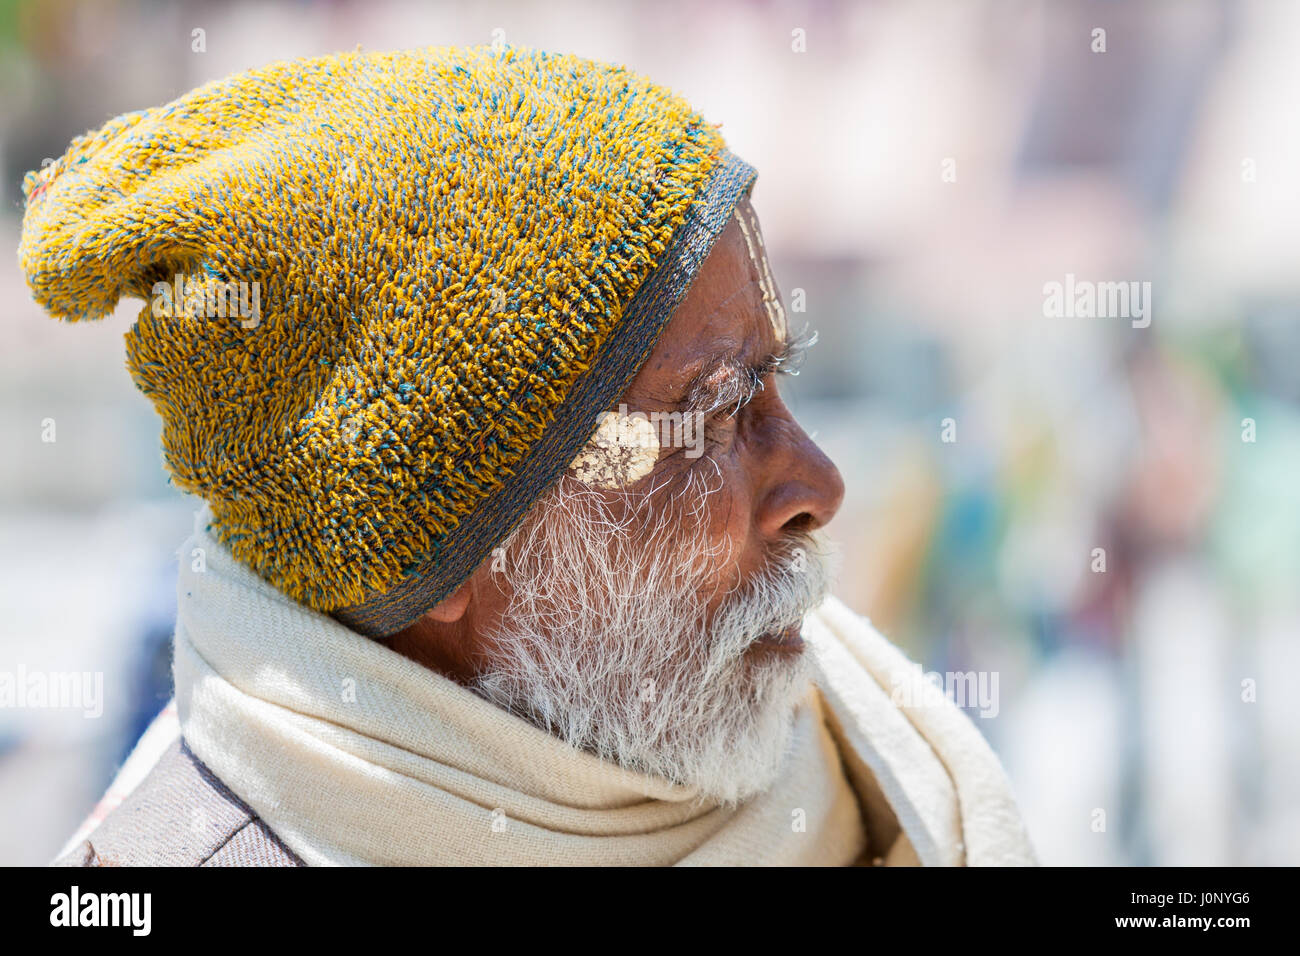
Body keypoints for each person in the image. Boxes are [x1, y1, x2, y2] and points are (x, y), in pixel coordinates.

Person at [21, 44, 1036, 866]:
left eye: (777, 383)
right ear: (440, 550)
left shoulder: (865, 779)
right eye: (712, 417)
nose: (819, 484)